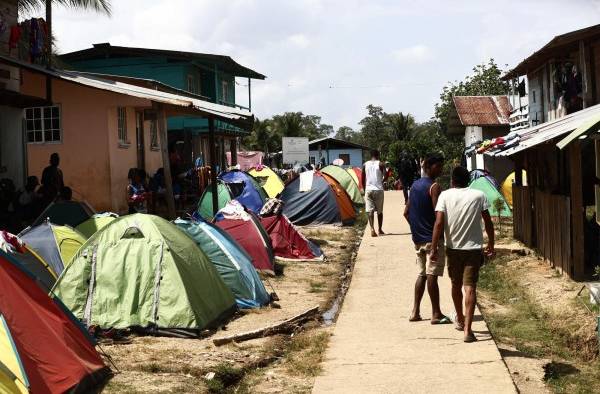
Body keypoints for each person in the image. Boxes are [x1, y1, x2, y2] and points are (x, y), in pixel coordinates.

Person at [430, 166, 495, 343]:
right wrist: (491, 243)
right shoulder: (478, 195)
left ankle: (459, 317)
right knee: (470, 288)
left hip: (453, 249)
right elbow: (488, 222)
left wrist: (434, 248)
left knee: (455, 284)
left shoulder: (445, 195)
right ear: (468, 180)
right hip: (473, 249)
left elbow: (439, 223)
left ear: (452, 180)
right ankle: (468, 329)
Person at [404, 155, 449, 324]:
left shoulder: (414, 186)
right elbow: (439, 216)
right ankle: (436, 314)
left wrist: (416, 230)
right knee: (432, 275)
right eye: (438, 166)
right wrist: (436, 241)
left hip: (418, 240)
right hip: (432, 239)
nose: (441, 169)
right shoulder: (434, 187)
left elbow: (406, 213)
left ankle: (415, 312)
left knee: (422, 274)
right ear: (428, 167)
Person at [362, 149, 387, 237]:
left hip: (368, 189)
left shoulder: (365, 164)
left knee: (370, 210)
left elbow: (362, 178)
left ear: (371, 155)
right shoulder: (381, 164)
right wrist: (381, 180)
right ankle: (380, 229)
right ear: (378, 155)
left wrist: (365, 188)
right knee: (380, 211)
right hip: (378, 190)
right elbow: (386, 174)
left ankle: (372, 228)